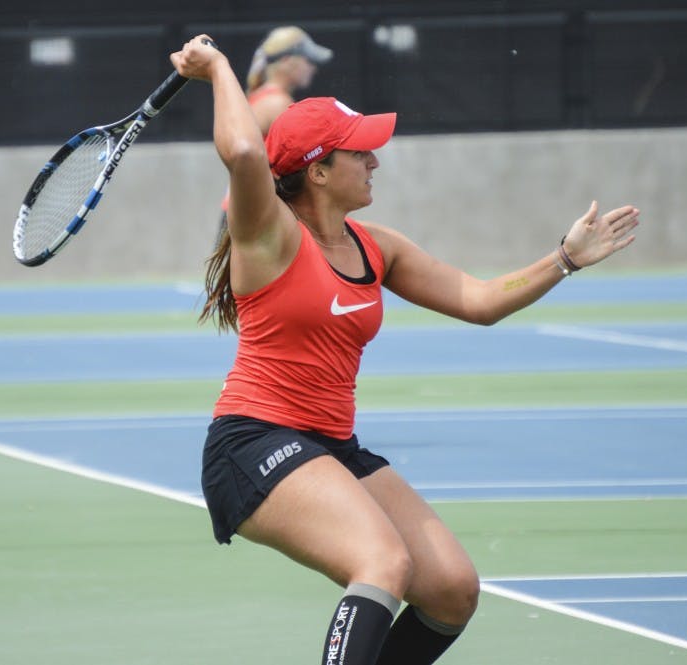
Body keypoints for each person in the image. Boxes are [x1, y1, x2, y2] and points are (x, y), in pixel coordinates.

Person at [170, 35, 639, 665]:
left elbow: (478, 299)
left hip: (331, 445)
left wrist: (563, 259)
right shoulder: (269, 234)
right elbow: (247, 151)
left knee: (451, 590)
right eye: (359, 151)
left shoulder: (375, 245)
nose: (375, 161)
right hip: (253, 442)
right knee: (382, 562)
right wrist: (219, 68)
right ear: (317, 170)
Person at [213, 26, 333, 245]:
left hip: (243, 212)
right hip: (253, 217)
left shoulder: (260, 97)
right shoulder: (277, 104)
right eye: (308, 60)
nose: (313, 68)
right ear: (287, 60)